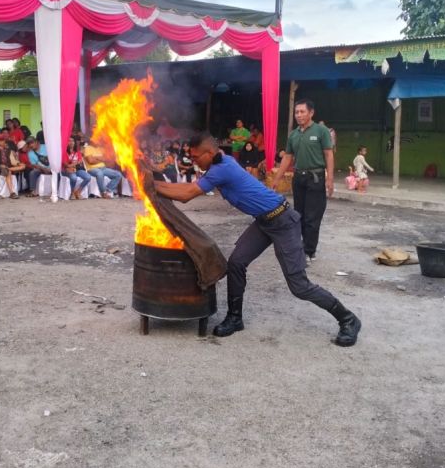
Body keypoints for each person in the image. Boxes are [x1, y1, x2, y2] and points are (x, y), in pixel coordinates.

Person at [154, 133, 361, 345]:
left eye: (196, 156)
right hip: (264, 221)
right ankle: (235, 318)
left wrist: (151, 185)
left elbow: (186, 194)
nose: (193, 161)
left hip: (283, 221)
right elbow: (186, 188)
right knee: (236, 263)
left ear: (209, 153)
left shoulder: (221, 169)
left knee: (299, 285)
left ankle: (348, 319)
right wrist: (154, 184)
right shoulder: (221, 161)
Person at [271, 100, 334, 264]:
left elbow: (328, 154)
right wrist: (276, 179)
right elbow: (287, 157)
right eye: (296, 112)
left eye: (302, 112)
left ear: (311, 113)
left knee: (312, 217)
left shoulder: (321, 131)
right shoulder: (293, 134)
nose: (298, 115)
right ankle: (300, 248)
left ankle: (309, 251)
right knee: (299, 215)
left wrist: (330, 179)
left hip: (315, 178)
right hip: (299, 178)